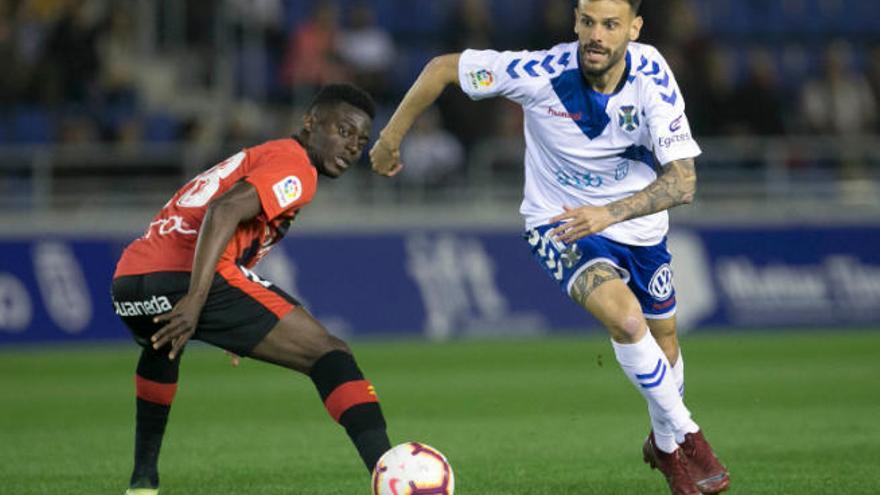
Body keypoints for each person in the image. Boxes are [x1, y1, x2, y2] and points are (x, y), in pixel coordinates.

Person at [370, 1, 729, 494]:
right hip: (559, 223)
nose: (596, 35)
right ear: (575, 22)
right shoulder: (541, 73)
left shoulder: (652, 73)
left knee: (665, 339)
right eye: (587, 22)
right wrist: (390, 140)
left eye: (610, 24)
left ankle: (665, 447)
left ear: (635, 29)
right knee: (627, 321)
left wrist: (608, 213)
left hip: (638, 226)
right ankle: (688, 435)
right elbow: (442, 69)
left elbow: (683, 184)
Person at [112, 84, 391, 495]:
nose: (352, 147)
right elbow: (222, 210)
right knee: (330, 354)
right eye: (344, 130)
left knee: (162, 348)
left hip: (129, 282)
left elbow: (222, 221)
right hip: (184, 277)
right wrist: (197, 298)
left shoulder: (260, 155)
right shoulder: (296, 166)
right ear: (311, 122)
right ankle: (392, 476)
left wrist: (230, 320)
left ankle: (142, 481)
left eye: (361, 140)